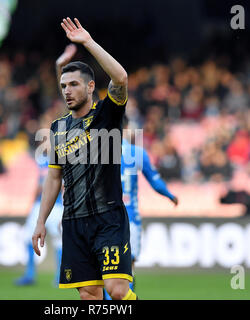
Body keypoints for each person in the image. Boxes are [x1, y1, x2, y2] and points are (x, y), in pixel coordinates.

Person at [32, 17, 137, 300]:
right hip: (74, 221)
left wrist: (88, 42)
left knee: (116, 291)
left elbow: (121, 78)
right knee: (89, 295)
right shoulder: (57, 128)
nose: (67, 90)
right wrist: (41, 220)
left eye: (74, 84)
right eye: (63, 85)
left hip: (108, 218)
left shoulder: (107, 115)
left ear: (91, 87)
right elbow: (54, 177)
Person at [104, 118, 178, 299]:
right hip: (130, 218)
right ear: (127, 128)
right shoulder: (137, 153)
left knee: (106, 265)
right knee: (128, 264)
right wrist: (169, 195)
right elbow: (155, 181)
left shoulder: (99, 152)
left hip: (105, 218)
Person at [15, 147, 63, 287]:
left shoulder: (65, 157)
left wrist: (46, 188)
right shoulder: (41, 160)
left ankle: (60, 276)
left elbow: (60, 183)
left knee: (59, 241)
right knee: (28, 237)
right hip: (39, 204)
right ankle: (29, 274)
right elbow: (38, 184)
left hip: (57, 204)